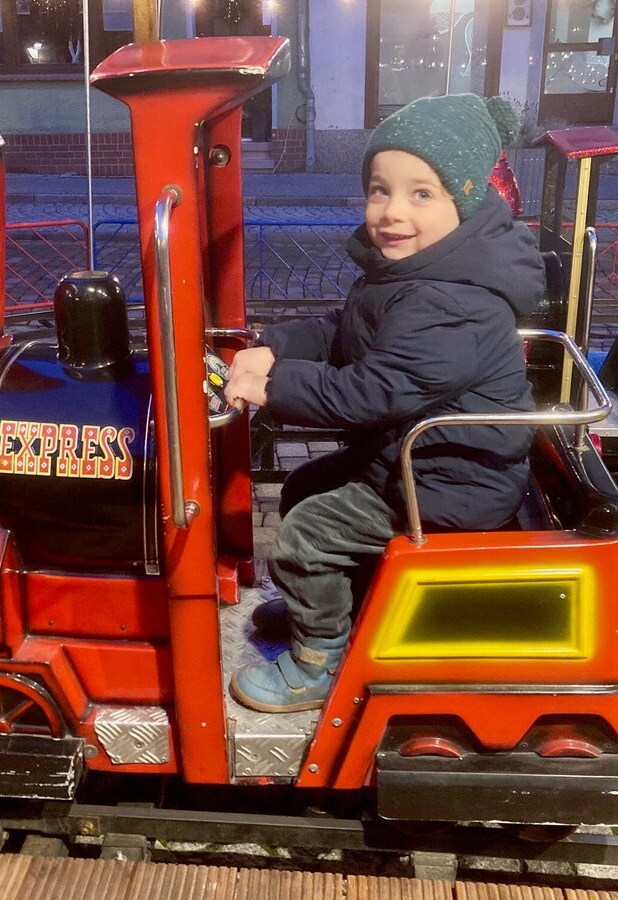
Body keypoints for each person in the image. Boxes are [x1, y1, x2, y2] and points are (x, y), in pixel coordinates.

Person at [222, 93, 545, 714]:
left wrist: (275, 387)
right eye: (380, 190)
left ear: (465, 202)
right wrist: (274, 347)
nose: (393, 211)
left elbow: (375, 390)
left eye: (421, 194)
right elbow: (347, 330)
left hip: (451, 481)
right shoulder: (414, 272)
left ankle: (317, 663)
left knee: (308, 535)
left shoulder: (455, 301)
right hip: (411, 460)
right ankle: (325, 605)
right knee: (305, 487)